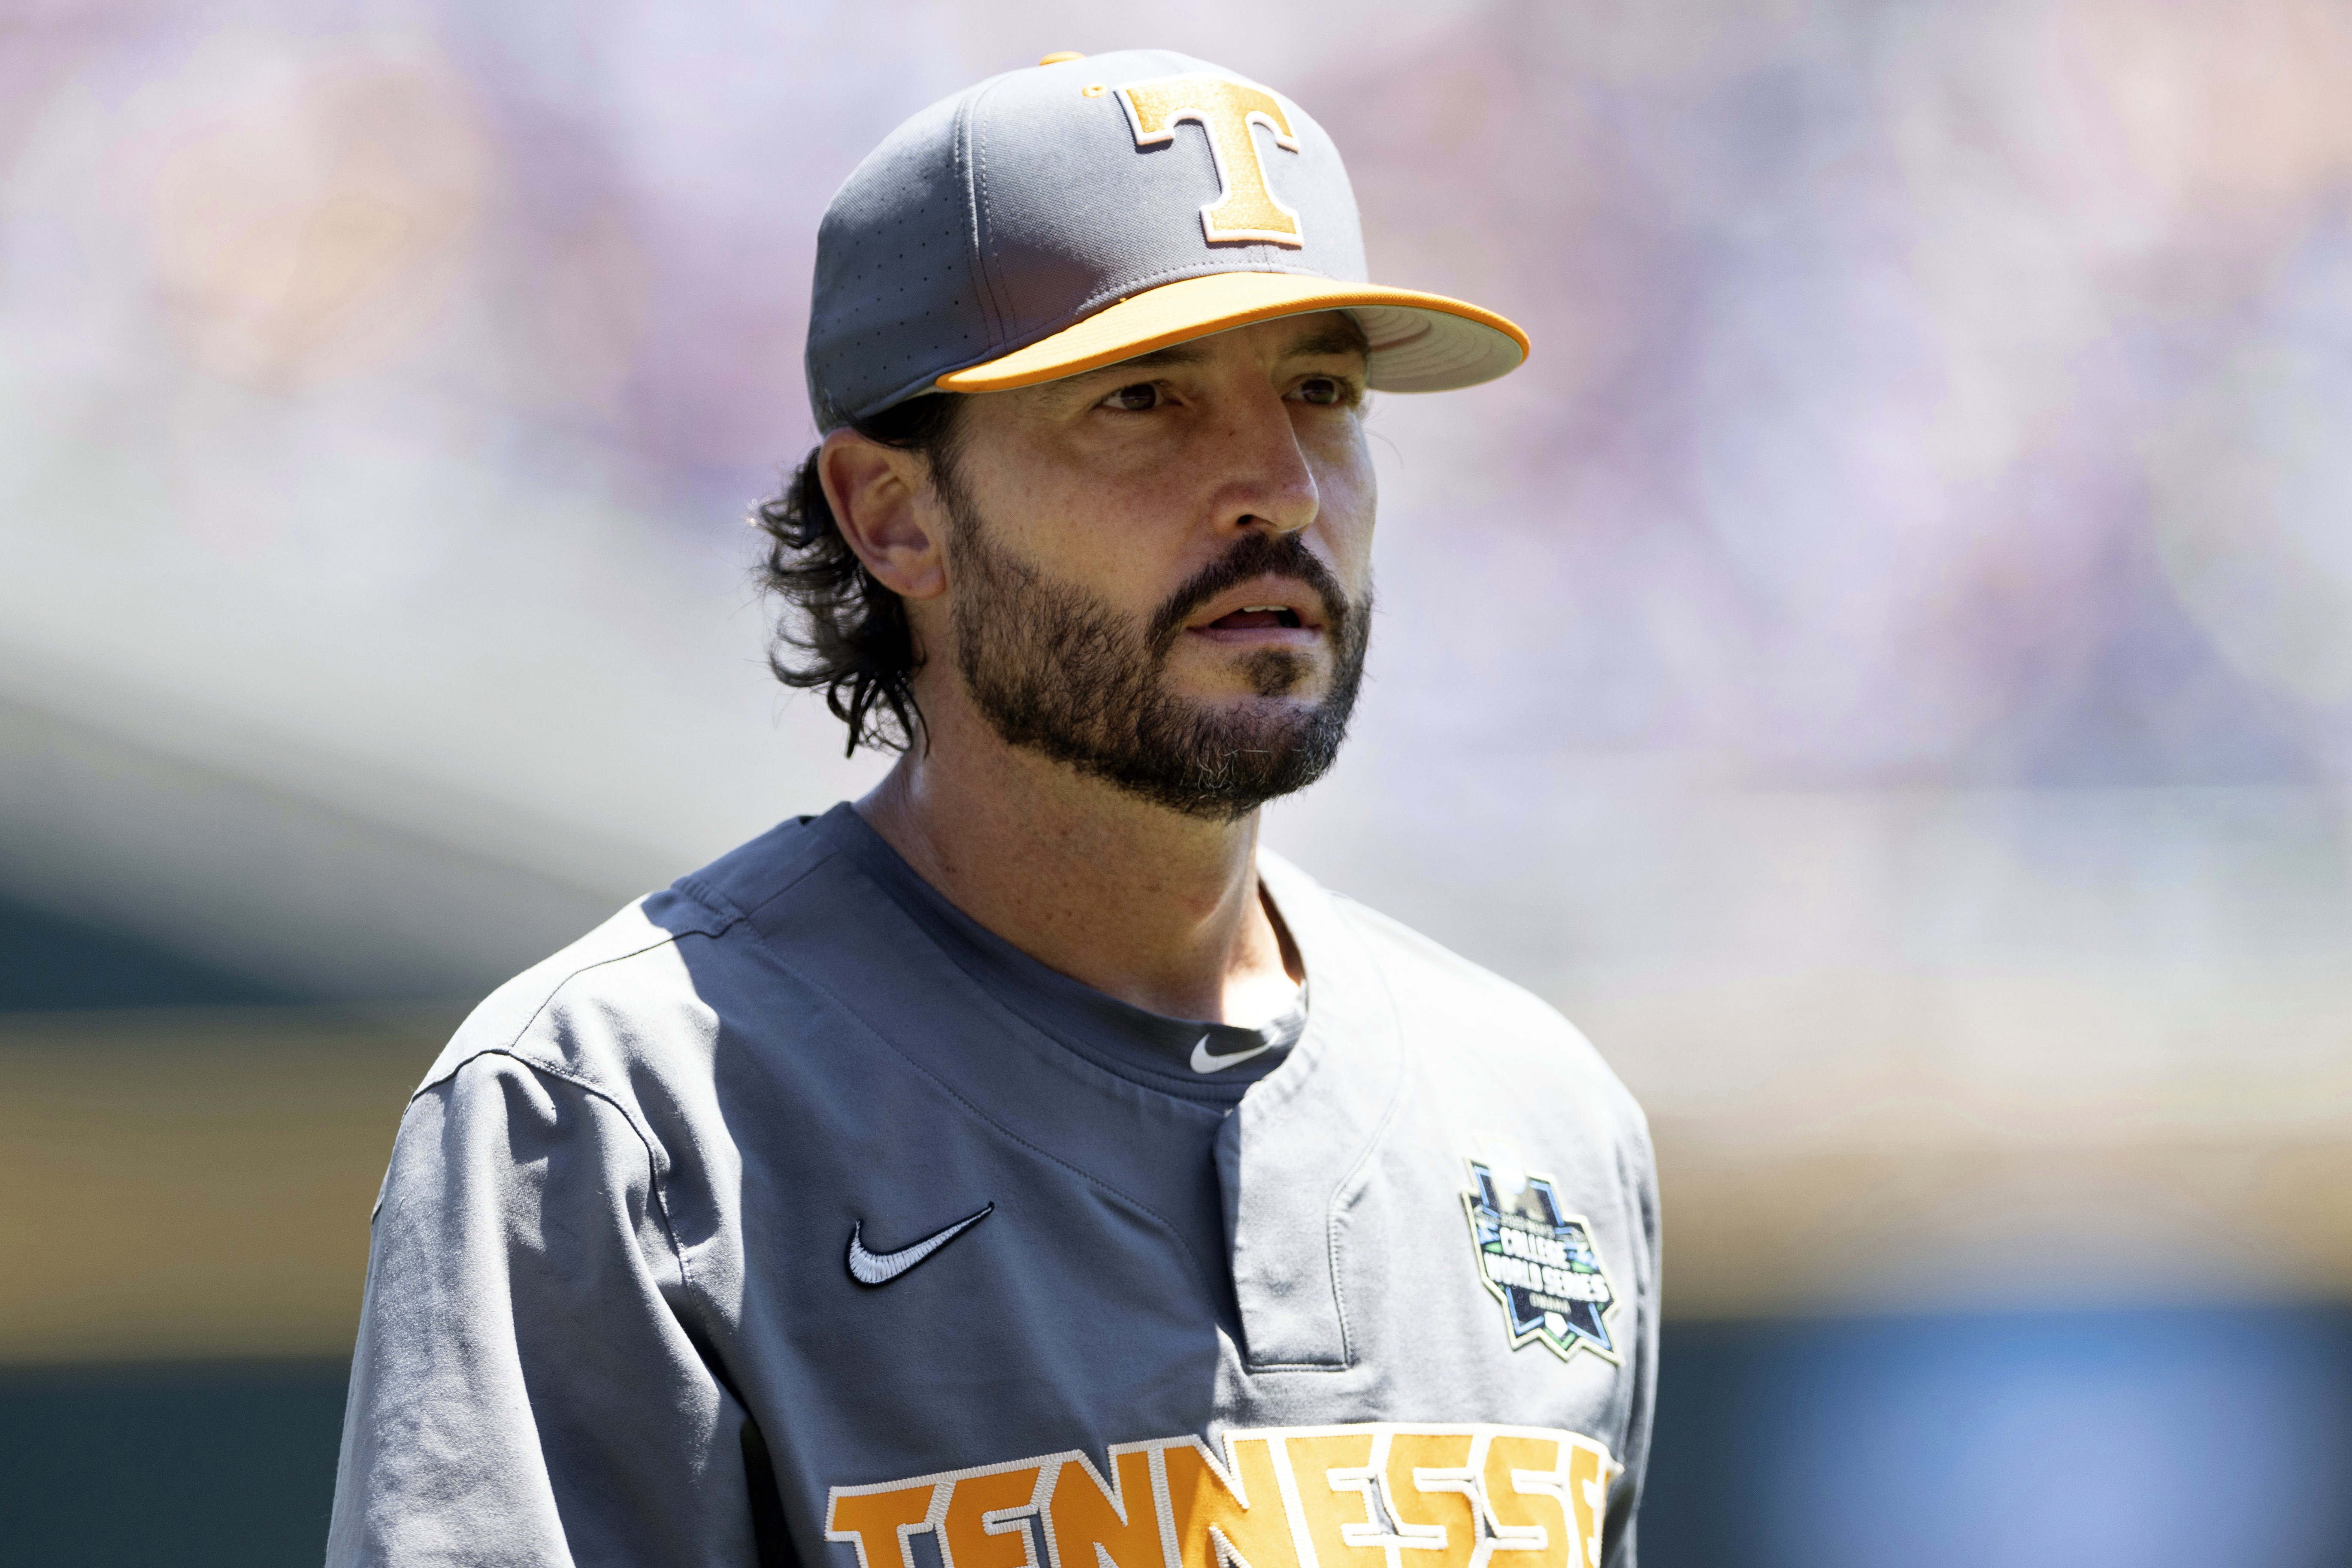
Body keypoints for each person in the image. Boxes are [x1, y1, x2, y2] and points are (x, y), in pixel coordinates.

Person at [328, 48, 1658, 1568]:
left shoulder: (1540, 1116)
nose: (1279, 488)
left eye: (1320, 391)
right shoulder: (617, 1114)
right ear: (893, 514)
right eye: (1145, 399)